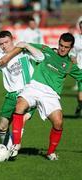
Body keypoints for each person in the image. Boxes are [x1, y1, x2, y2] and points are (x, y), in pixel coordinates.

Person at [6, 32, 82, 160]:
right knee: (19, 106)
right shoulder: (45, 50)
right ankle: (16, 144)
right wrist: (8, 56)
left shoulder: (70, 66)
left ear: (71, 48)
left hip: (51, 94)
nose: (62, 49)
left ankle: (50, 152)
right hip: (34, 86)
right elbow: (24, 45)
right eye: (61, 45)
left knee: (58, 123)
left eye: (66, 47)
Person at [69, 21, 82, 117]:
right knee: (80, 96)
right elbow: (72, 53)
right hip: (80, 69)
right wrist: (73, 58)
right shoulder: (76, 40)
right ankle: (79, 105)